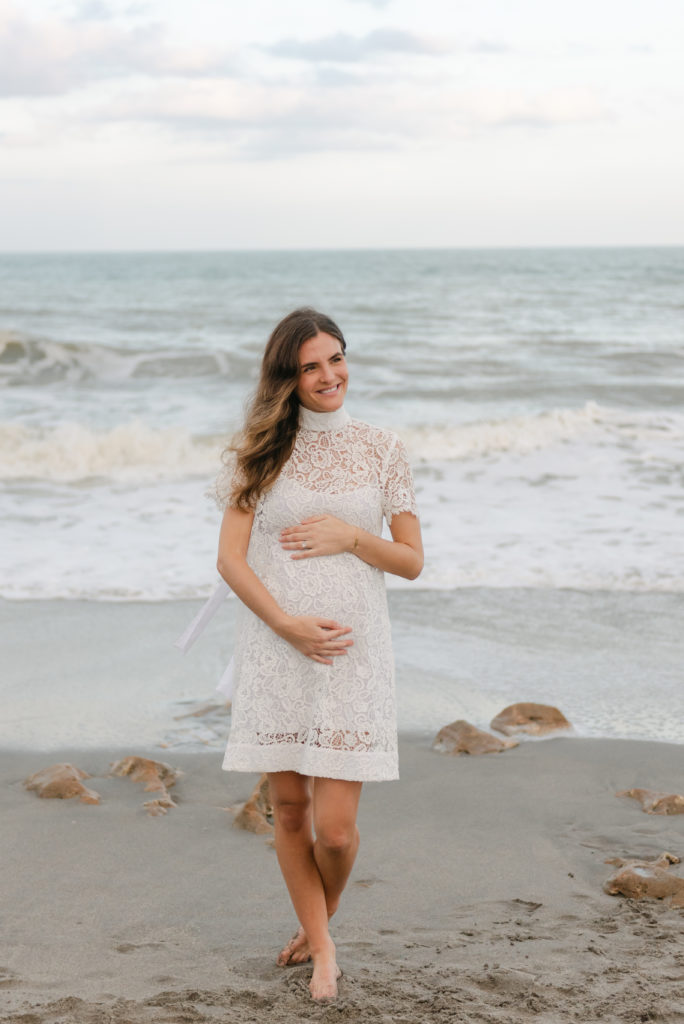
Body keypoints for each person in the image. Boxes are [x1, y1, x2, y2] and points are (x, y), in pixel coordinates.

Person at [215, 308, 423, 1001]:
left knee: (335, 832)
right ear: (288, 377)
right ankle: (325, 951)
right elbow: (231, 561)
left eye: (335, 358)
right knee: (291, 811)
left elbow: (413, 561)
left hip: (356, 656)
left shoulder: (383, 449)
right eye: (310, 366)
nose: (329, 375)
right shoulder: (258, 451)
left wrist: (350, 536)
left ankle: (317, 923)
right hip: (280, 650)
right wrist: (284, 625)